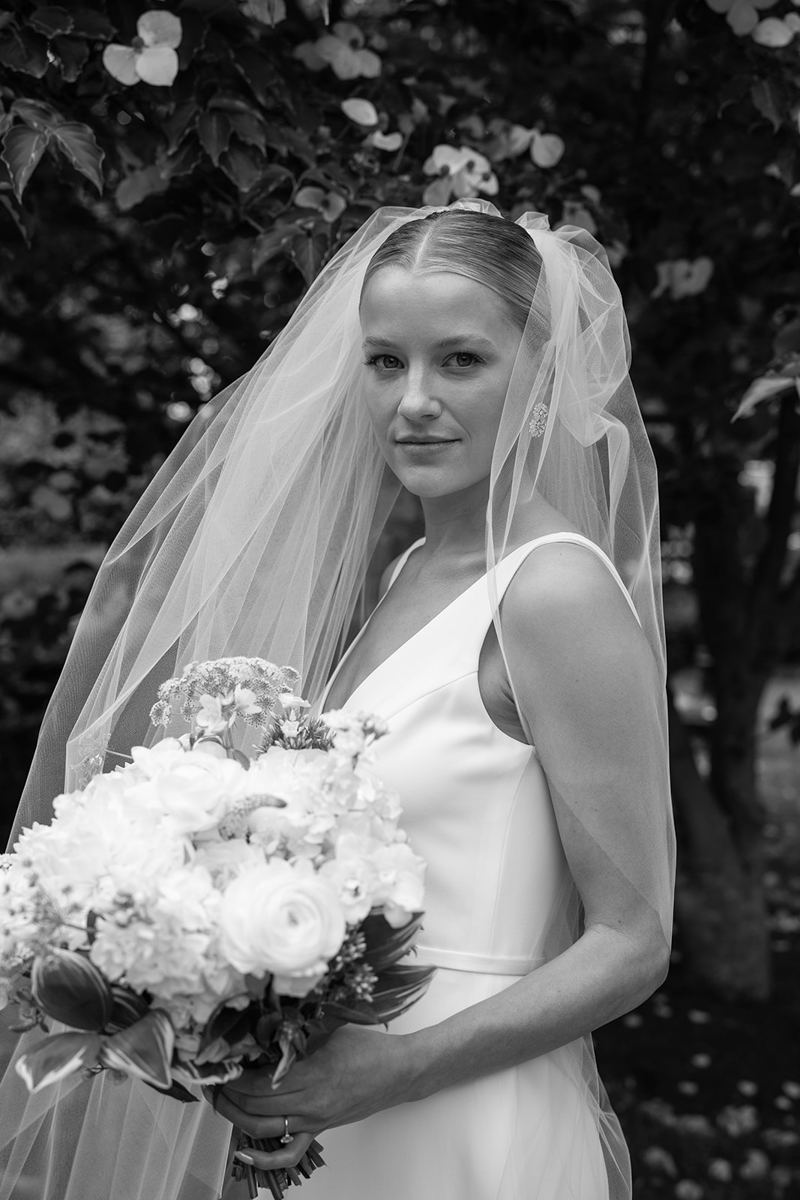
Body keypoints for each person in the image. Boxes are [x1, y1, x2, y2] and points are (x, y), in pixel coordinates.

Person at [0, 201, 675, 1200]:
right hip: (340, 1116)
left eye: (458, 361)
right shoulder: (410, 567)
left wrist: (395, 1067)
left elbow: (632, 942)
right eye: (383, 361)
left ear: (540, 380)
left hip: (463, 1126)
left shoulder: (551, 591)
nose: (411, 401)